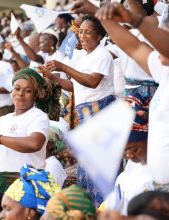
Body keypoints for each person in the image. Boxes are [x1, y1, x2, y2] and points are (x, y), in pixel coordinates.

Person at [95, 3, 169, 218]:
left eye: (160, 34)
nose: (151, 40)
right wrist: (100, 16)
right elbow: (133, 48)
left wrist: (137, 21)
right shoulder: (168, 72)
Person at [39, 15, 115, 207]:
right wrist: (51, 75)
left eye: (87, 32)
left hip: (101, 112)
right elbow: (73, 86)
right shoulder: (85, 57)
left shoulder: (102, 54)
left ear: (99, 35)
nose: (82, 36)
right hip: (86, 114)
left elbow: (92, 81)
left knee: (101, 166)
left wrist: (63, 66)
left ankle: (106, 209)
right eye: (80, 32)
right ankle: (91, 208)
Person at [0, 68, 61, 193]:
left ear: (36, 95)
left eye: (28, 91)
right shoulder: (3, 119)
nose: (20, 93)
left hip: (27, 185)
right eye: (17, 88)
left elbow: (34, 143)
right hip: (1, 183)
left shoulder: (38, 116)